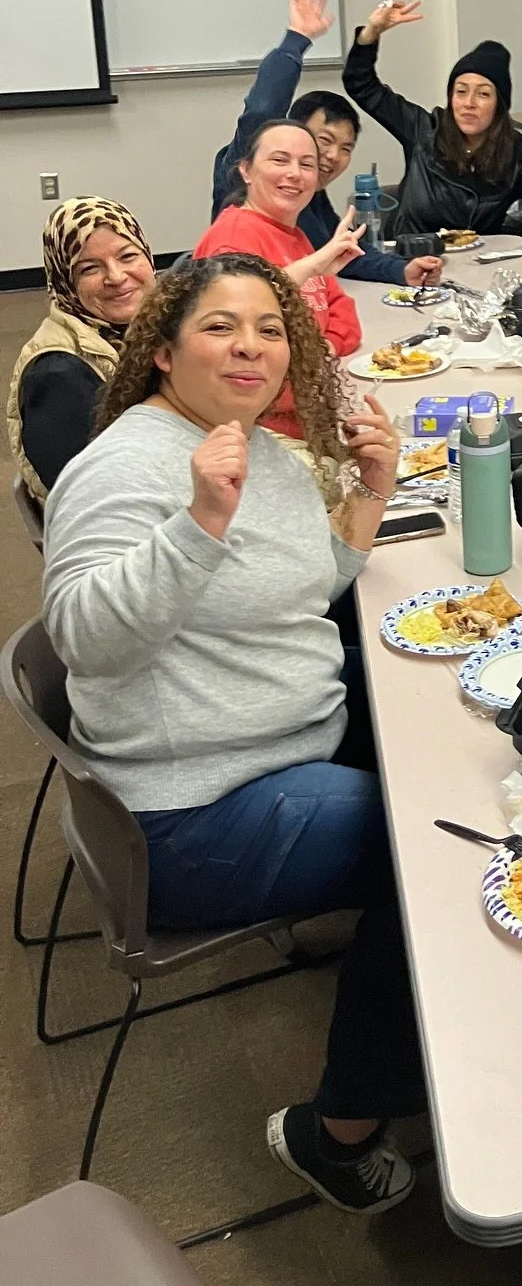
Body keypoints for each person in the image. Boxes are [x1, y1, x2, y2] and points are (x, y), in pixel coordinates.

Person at [42, 253, 423, 1214]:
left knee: (451, 726)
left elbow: (299, 588)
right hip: (187, 811)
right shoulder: (128, 465)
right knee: (428, 847)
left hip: (276, 737)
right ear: (163, 352)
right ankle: (339, 1134)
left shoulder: (250, 444)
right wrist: (197, 523)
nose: (250, 345)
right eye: (220, 326)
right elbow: (82, 638)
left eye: (269, 329)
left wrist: (372, 490)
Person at [210, 0, 441, 288]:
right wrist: (297, 38)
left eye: (346, 148)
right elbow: (261, 110)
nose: (333, 156)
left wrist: (402, 270)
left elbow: (342, 251)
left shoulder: (309, 192)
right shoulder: (246, 177)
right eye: (325, 141)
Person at [341, 0, 522, 236]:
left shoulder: (512, 158)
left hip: (475, 262)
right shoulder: (424, 130)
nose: (469, 103)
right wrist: (371, 33)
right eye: (461, 92)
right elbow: (362, 85)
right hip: (411, 257)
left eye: (483, 94)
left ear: (499, 106)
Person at [194, 121, 362, 442]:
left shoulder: (294, 235)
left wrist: (323, 349)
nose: (294, 174)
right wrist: (312, 266)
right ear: (246, 170)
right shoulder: (232, 236)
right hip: (255, 434)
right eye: (280, 160)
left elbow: (341, 307)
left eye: (307, 165)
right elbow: (239, 317)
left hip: (310, 419)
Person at [7, 198, 156, 501]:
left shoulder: (156, 328)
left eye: (128, 256)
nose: (116, 276)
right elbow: (96, 497)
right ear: (65, 282)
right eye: (90, 268)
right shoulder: (58, 376)